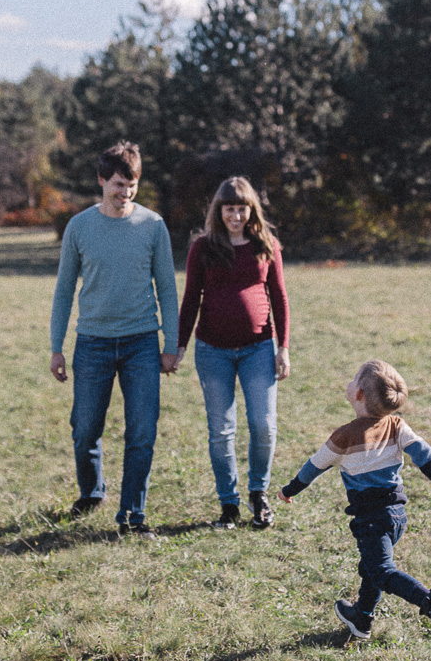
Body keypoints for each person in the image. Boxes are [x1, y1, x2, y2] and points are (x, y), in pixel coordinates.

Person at [279, 359, 431, 646]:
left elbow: (313, 467)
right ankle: (361, 617)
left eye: (354, 379)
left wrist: (289, 489)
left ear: (360, 395)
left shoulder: (345, 436)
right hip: (396, 516)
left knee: (380, 570)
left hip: (371, 520)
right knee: (371, 568)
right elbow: (425, 455)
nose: (350, 383)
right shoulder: (396, 426)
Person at [49, 142, 180, 537]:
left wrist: (171, 344)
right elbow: (64, 290)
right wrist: (56, 347)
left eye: (133, 185)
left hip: (142, 342)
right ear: (102, 181)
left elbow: (168, 289)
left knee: (142, 430)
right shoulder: (79, 227)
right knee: (85, 426)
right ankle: (92, 491)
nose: (126, 193)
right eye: (119, 184)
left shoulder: (153, 226)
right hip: (93, 343)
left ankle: (131, 515)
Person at [176, 176, 290, 531]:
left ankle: (259, 494)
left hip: (259, 348)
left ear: (251, 209)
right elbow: (191, 297)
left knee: (263, 425)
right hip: (212, 351)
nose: (236, 216)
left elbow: (280, 298)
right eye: (229, 209)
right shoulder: (203, 247)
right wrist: (178, 347)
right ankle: (229, 504)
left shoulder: (266, 245)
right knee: (221, 430)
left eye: (242, 208)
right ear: (219, 210)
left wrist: (283, 347)